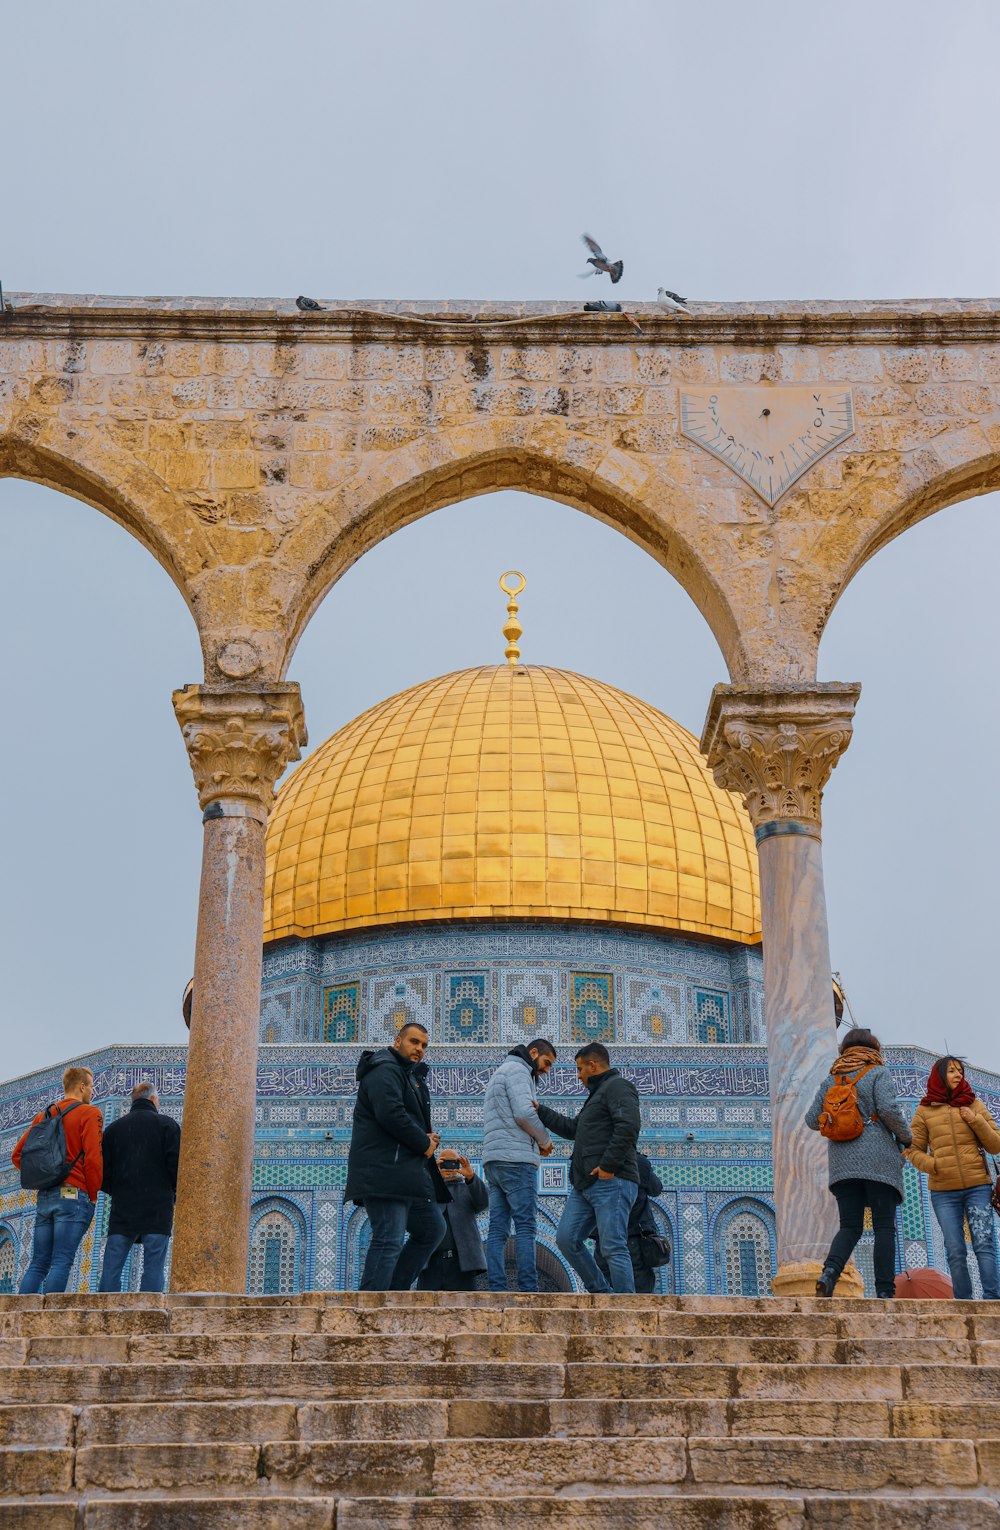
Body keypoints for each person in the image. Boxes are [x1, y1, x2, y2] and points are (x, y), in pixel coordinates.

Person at [805, 1027, 912, 1299]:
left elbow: (811, 1119)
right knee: (884, 1227)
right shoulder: (878, 1072)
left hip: (842, 1164)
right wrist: (906, 1138)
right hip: (879, 1160)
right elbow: (888, 1109)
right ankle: (885, 1291)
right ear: (874, 1049)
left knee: (850, 1226)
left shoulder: (832, 1080)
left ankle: (829, 1273)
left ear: (845, 1050)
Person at [344, 1022, 449, 1291]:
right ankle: (368, 1307)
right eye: (414, 1042)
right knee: (388, 1238)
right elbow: (391, 1113)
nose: (419, 1049)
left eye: (424, 1045)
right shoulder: (384, 1069)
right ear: (398, 1040)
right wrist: (423, 1142)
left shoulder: (406, 1074)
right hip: (384, 1171)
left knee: (431, 1229)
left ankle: (393, 1292)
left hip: (405, 1173)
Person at [536, 1042, 641, 1294]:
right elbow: (573, 1130)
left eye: (580, 1069)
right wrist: (540, 1111)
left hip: (611, 1180)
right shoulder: (596, 1096)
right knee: (566, 1238)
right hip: (586, 1183)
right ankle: (602, 1293)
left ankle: (627, 1307)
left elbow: (628, 1126)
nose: (579, 1075)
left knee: (613, 1245)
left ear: (592, 1065)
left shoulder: (617, 1087)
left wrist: (608, 1166)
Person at [907, 1055, 1000, 1301]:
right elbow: (912, 1150)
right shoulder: (924, 1110)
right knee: (955, 1250)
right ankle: (964, 1303)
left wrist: (975, 1120)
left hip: (977, 1186)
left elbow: (995, 1145)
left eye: (960, 1071)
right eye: (951, 1071)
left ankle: (992, 1299)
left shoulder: (974, 1105)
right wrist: (933, 1165)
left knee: (983, 1245)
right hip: (944, 1192)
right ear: (939, 1076)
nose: (958, 1075)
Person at [12, 1065, 104, 1294]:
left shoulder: (43, 1116)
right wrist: (93, 1195)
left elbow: (17, 1156)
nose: (92, 1092)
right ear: (82, 1087)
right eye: (91, 1086)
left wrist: (45, 1175)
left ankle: (21, 1319)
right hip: (73, 1195)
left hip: (46, 1197)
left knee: (38, 1263)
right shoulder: (90, 1114)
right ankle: (49, 1320)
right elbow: (93, 1159)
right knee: (62, 1260)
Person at [482, 1039, 557, 1293]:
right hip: (516, 1161)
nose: (546, 1070)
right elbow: (524, 1113)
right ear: (533, 1053)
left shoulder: (499, 1073)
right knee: (526, 1226)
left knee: (497, 1230)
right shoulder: (519, 1071)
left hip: (493, 1162)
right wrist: (545, 1141)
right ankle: (528, 1289)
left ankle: (497, 1288)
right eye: (546, 1063)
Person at [98, 1082, 181, 1294]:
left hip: (123, 1209)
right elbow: (177, 1169)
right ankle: (150, 1313)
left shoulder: (113, 1129)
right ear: (154, 1100)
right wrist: (170, 1192)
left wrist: (118, 1190)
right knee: (153, 1266)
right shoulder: (167, 1125)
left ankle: (105, 1313)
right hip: (157, 1208)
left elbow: (103, 1173)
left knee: (112, 1267)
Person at [594, 1150, 665, 1295]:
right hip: (634, 1237)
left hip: (605, 1236)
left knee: (606, 1288)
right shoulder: (638, 1162)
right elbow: (656, 1188)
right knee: (638, 1289)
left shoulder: (595, 1162)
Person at [416, 1150, 489, 1291]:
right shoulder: (429, 1187)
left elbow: (484, 1202)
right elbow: (415, 1205)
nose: (449, 1167)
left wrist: (472, 1178)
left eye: (453, 1163)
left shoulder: (466, 1188)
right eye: (444, 1163)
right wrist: (431, 1176)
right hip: (431, 1263)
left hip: (461, 1264)